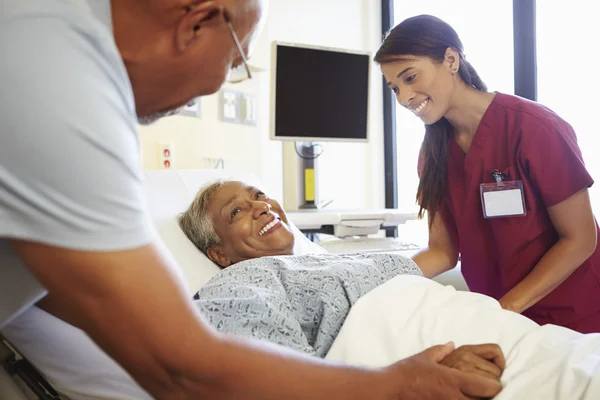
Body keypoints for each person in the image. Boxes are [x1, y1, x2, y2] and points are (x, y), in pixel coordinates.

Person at [0, 1, 501, 399]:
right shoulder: (56, 84)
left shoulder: (46, 39)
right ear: (198, 21)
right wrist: (395, 387)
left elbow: (70, 290)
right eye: (238, 61)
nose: (223, 82)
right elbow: (181, 368)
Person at [375, 14, 600, 333]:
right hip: (503, 323)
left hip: (573, 321)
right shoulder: (433, 155)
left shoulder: (535, 129)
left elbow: (580, 239)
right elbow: (442, 251)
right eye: (394, 88)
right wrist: (373, 277)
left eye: (410, 78)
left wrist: (503, 310)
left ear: (450, 60)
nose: (403, 97)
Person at [179, 179, 506, 377]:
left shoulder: (325, 264)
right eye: (236, 212)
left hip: (487, 335)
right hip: (451, 366)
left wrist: (439, 181)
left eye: (259, 194)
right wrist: (418, 379)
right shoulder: (239, 284)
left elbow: (439, 257)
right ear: (219, 255)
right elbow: (281, 380)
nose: (261, 206)